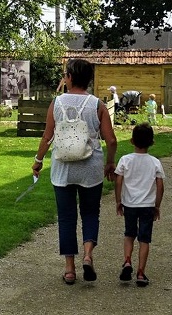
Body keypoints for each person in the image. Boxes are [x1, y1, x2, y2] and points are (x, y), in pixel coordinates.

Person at [32, 58, 118, 285]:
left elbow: (47, 137)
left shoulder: (57, 104)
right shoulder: (97, 105)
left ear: (69, 77)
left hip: (63, 170)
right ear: (88, 79)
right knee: (90, 214)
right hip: (91, 170)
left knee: (67, 218)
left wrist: (38, 161)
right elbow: (111, 140)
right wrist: (110, 163)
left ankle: (69, 269)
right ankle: (88, 255)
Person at [115, 123, 166, 287]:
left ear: (131, 141)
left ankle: (127, 260)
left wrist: (118, 201)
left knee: (129, 234)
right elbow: (160, 186)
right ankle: (141, 273)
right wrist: (157, 205)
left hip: (129, 204)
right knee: (144, 239)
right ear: (152, 142)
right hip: (147, 205)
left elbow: (118, 181)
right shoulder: (155, 162)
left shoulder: (125, 160)